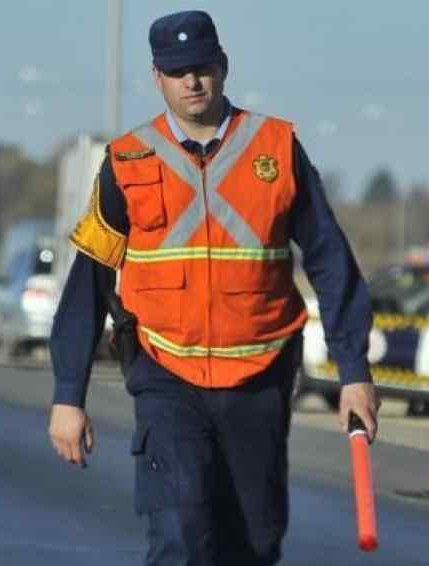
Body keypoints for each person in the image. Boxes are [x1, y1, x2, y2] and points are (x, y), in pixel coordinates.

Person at [46, 10, 379, 565]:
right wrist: (67, 395)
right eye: (177, 72)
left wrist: (354, 374)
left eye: (201, 67)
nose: (191, 81)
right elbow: (88, 285)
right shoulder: (126, 161)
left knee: (251, 543)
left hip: (260, 376)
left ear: (223, 67)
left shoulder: (276, 147)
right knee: (179, 535)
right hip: (165, 372)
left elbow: (331, 261)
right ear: (158, 79)